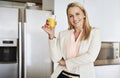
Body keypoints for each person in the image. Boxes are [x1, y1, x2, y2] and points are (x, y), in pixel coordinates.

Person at [42, 2, 101, 78]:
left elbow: (91, 56)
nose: (75, 18)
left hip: (82, 75)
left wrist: (66, 63)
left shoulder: (94, 32)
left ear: (84, 14)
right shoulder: (63, 34)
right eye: (71, 16)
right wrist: (51, 36)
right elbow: (56, 58)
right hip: (62, 74)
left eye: (77, 14)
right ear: (68, 18)